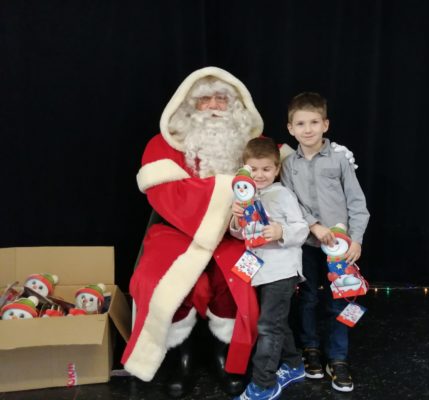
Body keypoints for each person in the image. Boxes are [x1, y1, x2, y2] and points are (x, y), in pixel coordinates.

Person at [121, 66, 275, 398]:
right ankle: (183, 359)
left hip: (236, 233)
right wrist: (228, 191)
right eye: (206, 99)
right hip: (176, 231)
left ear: (235, 106)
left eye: (222, 99)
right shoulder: (162, 145)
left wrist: (236, 217)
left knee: (234, 279)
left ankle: (225, 356)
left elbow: (272, 185)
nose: (215, 106)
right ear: (190, 106)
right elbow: (167, 196)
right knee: (157, 277)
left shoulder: (255, 146)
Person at [280, 92, 370, 393]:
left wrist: (356, 240)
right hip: (307, 244)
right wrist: (314, 225)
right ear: (291, 128)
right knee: (308, 298)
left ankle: (338, 357)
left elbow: (357, 203)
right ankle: (311, 349)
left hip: (340, 250)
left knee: (339, 301)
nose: (308, 129)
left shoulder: (340, 159)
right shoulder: (288, 165)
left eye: (314, 122)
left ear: (325, 124)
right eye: (300, 124)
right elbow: (290, 202)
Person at [229, 138, 309, 400]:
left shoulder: (283, 195)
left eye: (266, 169)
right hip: (259, 271)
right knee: (275, 322)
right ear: (244, 169)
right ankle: (294, 364)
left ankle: (263, 384)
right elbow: (240, 234)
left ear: (276, 169)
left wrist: (280, 231)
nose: (259, 175)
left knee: (267, 327)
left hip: (282, 271)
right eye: (253, 169)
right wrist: (236, 218)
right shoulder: (245, 196)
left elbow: (301, 228)